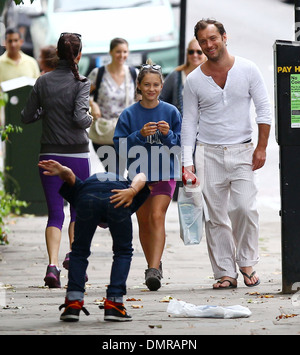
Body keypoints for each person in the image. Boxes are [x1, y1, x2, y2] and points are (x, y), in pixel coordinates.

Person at [181, 19, 272, 289]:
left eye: (213, 38)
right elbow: (189, 122)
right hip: (207, 154)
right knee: (216, 217)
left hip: (243, 150)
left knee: (245, 208)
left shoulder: (248, 69)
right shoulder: (194, 80)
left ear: (224, 36)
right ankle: (225, 272)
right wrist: (188, 163)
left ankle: (246, 261)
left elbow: (264, 110)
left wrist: (262, 147)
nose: (208, 45)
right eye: (203, 41)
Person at [21, 33, 93, 288]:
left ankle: (52, 266)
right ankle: (74, 260)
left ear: (58, 55)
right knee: (77, 211)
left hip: (49, 154)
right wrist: (91, 119)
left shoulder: (43, 81)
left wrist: (46, 111)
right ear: (79, 55)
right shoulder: (81, 82)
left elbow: (27, 116)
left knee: (54, 214)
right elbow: (79, 118)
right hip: (77, 155)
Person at [38, 159, 150, 322]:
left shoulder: (85, 187)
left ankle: (73, 303)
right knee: (123, 252)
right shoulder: (127, 187)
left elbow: (70, 176)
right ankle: (114, 304)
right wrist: (132, 191)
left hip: (88, 198)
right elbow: (142, 175)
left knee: (79, 251)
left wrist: (63, 171)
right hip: (118, 196)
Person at [114, 61, 181, 291]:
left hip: (165, 173)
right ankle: (153, 262)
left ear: (162, 86)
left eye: (155, 84)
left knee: (156, 216)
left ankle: (153, 270)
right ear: (139, 87)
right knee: (143, 221)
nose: (151, 89)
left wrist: (168, 134)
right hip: (139, 176)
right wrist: (139, 135)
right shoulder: (129, 114)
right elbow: (119, 146)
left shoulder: (171, 112)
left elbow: (180, 144)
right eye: (146, 84)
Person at [88, 38, 138, 174]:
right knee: (114, 173)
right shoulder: (98, 74)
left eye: (125, 52)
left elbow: (141, 100)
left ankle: (116, 194)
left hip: (125, 132)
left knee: (120, 174)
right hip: (103, 132)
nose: (122, 55)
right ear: (110, 52)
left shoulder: (133, 74)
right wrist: (93, 105)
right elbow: (82, 95)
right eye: (118, 52)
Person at [160, 38, 206, 115]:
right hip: (180, 125)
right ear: (187, 54)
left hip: (203, 125)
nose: (195, 55)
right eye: (191, 52)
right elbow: (161, 99)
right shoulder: (176, 75)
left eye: (199, 52)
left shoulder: (211, 76)